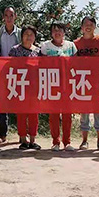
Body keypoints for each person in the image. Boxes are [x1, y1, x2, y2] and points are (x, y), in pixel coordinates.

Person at [74, 16, 99, 151]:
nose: (88, 27)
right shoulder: (76, 43)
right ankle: (84, 141)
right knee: (84, 112)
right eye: (85, 24)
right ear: (82, 27)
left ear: (95, 26)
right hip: (83, 82)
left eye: (91, 24)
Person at [40, 21, 77, 151]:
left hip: (67, 84)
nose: (57, 33)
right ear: (51, 33)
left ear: (64, 32)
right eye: (54, 30)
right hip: (52, 84)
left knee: (67, 114)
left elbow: (77, 63)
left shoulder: (71, 46)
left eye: (60, 30)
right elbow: (41, 63)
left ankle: (67, 142)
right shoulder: (45, 46)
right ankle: (55, 141)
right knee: (54, 114)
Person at [0, 6, 21, 143]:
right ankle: (2, 134)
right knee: (2, 104)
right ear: (3, 17)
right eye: (6, 15)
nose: (9, 18)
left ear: (15, 17)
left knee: (20, 102)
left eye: (11, 15)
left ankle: (23, 133)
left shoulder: (21, 33)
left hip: (19, 72)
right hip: (2, 72)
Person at [9, 25, 41, 150]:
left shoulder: (38, 51)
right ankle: (23, 140)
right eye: (26, 34)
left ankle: (32, 140)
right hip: (20, 86)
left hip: (34, 87)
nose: (29, 37)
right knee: (21, 114)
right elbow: (10, 68)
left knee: (34, 115)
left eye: (31, 34)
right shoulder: (14, 50)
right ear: (21, 36)